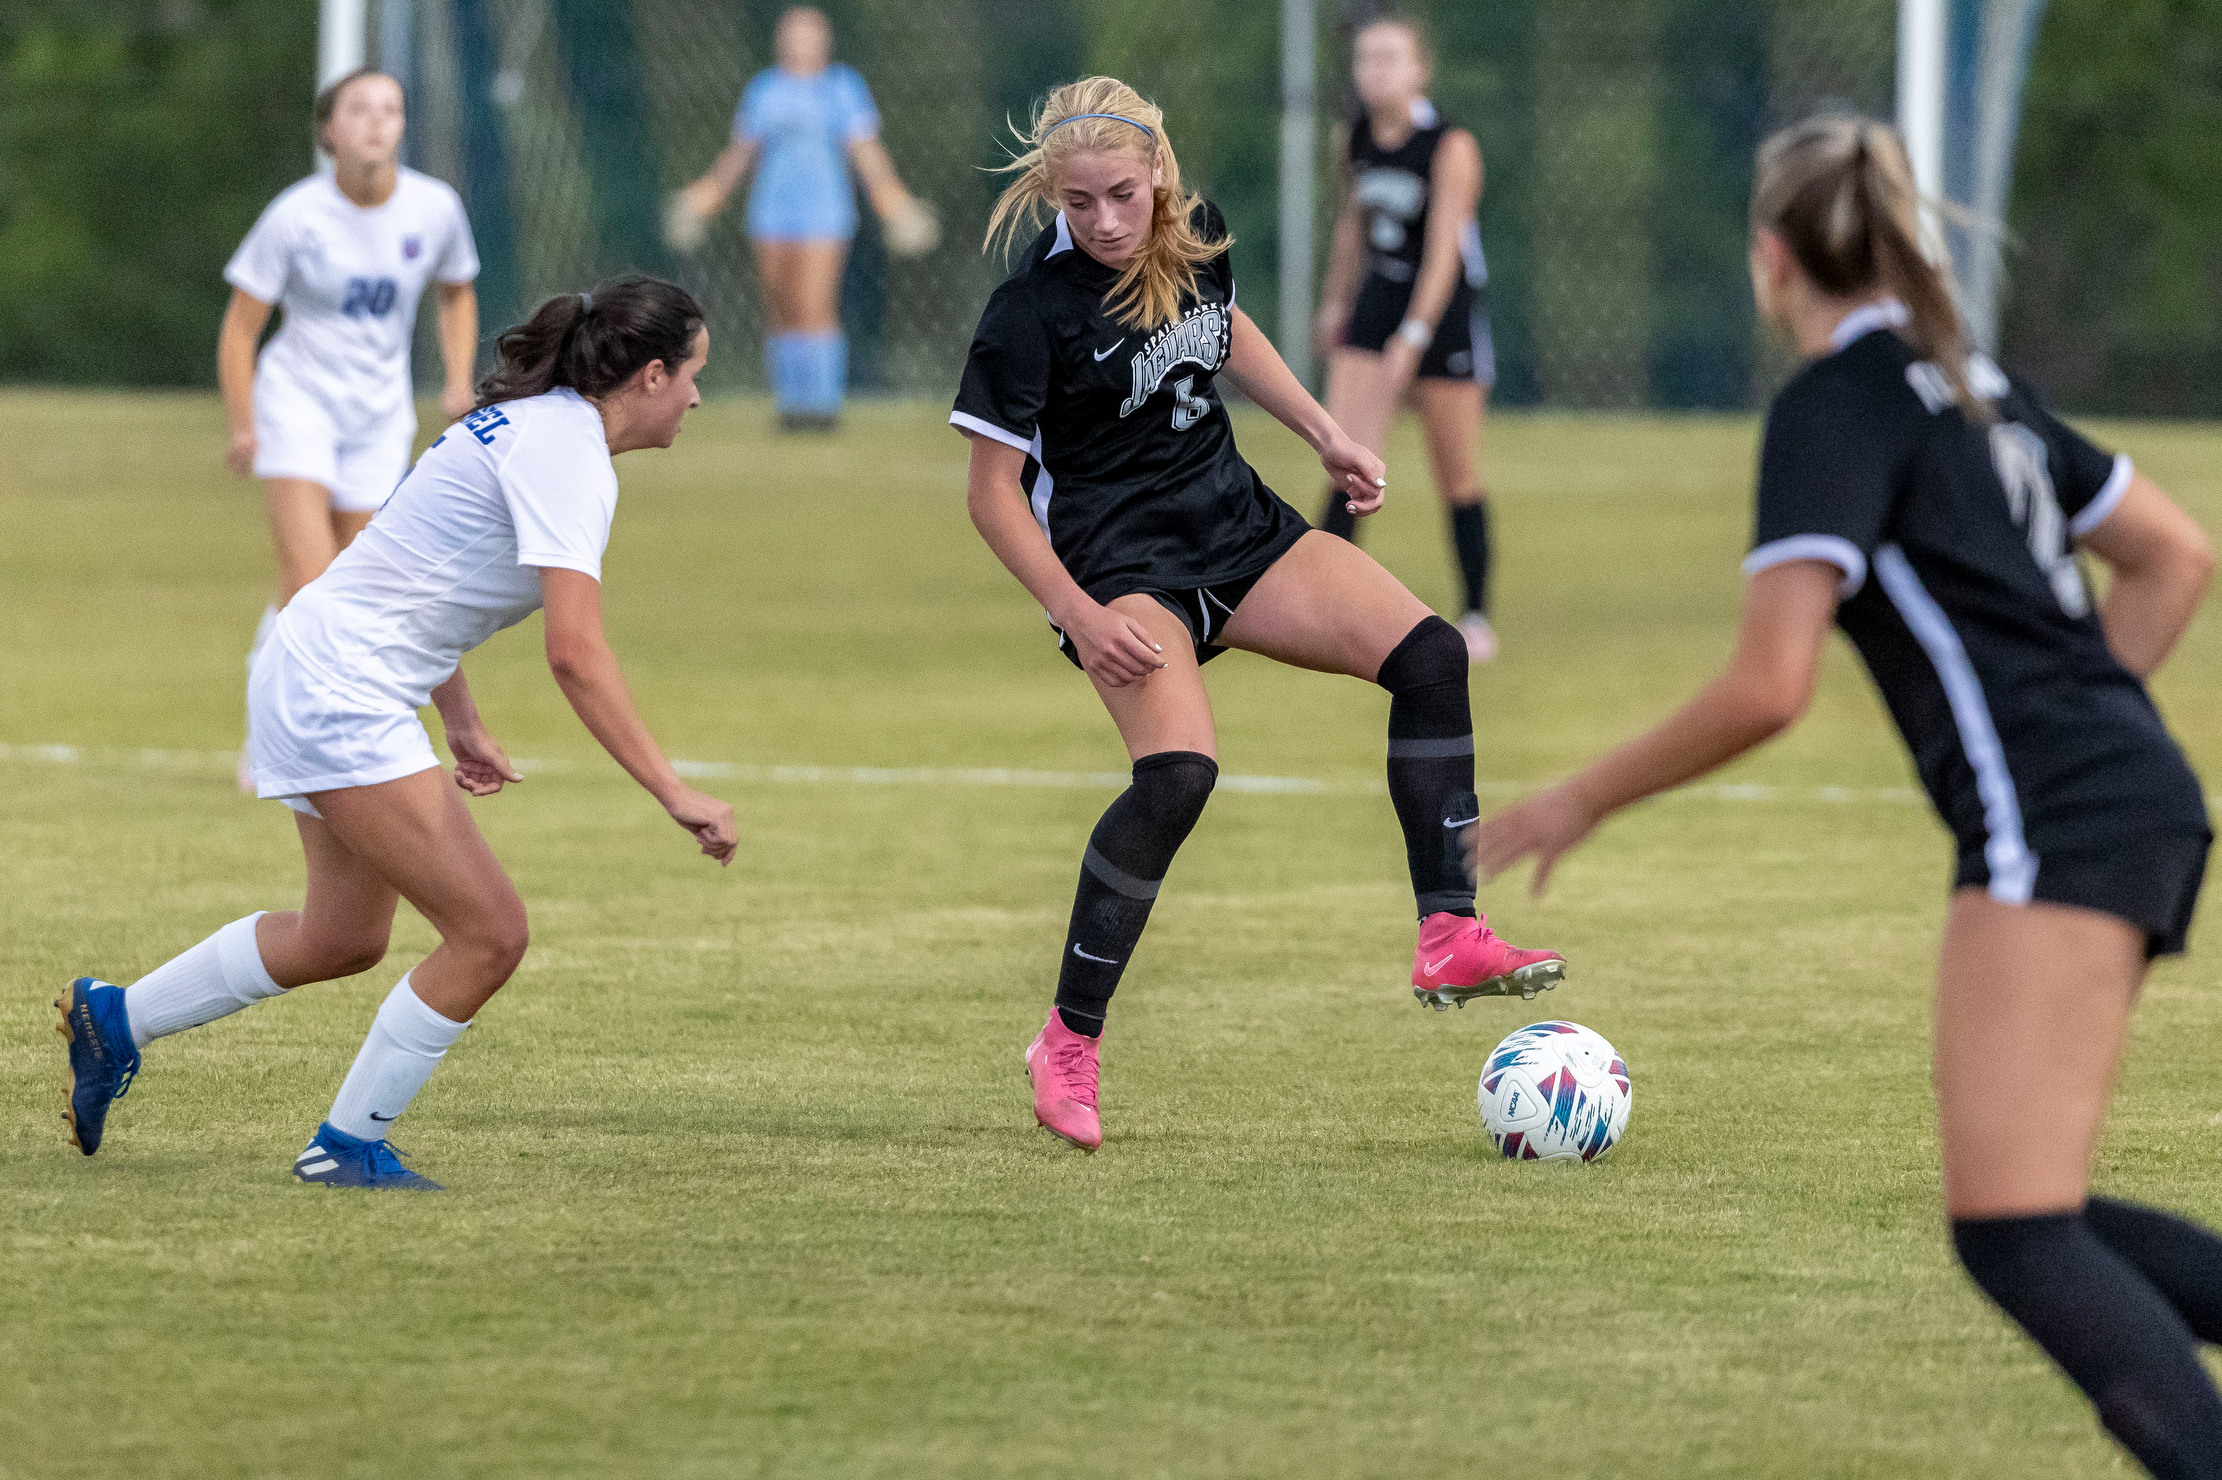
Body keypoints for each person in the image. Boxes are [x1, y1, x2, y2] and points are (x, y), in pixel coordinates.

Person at [1474, 116, 2222, 1477]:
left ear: (1771, 259)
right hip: (2127, 799)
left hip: (2061, 818)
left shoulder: (1833, 408)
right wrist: (2076, 723)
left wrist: (1578, 799)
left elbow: (1769, 685)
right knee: (2027, 1213)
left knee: (2014, 1232)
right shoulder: (1965, 385)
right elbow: (2173, 559)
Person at [952, 77, 1566, 1154]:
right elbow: (989, 492)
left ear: (1161, 177)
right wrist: (1075, 612)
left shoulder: (1192, 231)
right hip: (1116, 563)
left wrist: (1323, 430)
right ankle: (1066, 1041)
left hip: (1235, 529)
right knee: (1178, 773)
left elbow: (1223, 330)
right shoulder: (1027, 315)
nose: (1101, 220)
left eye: (1122, 195)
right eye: (1078, 200)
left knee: (1427, 654)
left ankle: (1447, 930)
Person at [57, 277, 738, 1190]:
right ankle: (342, 1149)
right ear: (651, 375)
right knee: (490, 934)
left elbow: (403, 557)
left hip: (316, 665)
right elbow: (577, 655)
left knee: (341, 938)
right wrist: (673, 790)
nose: (697, 396)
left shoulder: (530, 426)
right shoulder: (569, 453)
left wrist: (459, 719)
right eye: (693, 374)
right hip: (341, 688)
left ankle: (115, 1019)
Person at [219, 68, 481, 787]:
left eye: (391, 109)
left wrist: (458, 377)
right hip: (296, 403)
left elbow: (457, 292)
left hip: (378, 415)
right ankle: (284, 741)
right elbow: (241, 330)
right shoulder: (296, 216)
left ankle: (290, 722)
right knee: (311, 581)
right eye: (359, 109)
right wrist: (244, 424)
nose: (376, 122)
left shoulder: (434, 208)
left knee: (352, 584)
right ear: (328, 130)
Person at [1313, 16, 1500, 663]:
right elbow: (1353, 226)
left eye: (1391, 58)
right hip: (1377, 304)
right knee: (1345, 457)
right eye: (1366, 59)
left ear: (1421, 68)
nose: (1375, 71)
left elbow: (1445, 252)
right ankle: (1317, 603)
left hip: (1440, 316)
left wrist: (1414, 337)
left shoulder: (1449, 146)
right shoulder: (1357, 136)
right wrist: (1336, 301)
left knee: (1458, 474)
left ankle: (1476, 615)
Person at [667, 4, 938, 431]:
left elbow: (866, 153)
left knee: (815, 305)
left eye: (808, 33)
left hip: (826, 212)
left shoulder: (843, 87)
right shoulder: (764, 89)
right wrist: (708, 196)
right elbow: (741, 155)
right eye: (792, 34)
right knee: (780, 307)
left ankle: (822, 407)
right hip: (770, 212)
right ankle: (791, 406)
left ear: (824, 40)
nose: (799, 41)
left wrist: (894, 202)